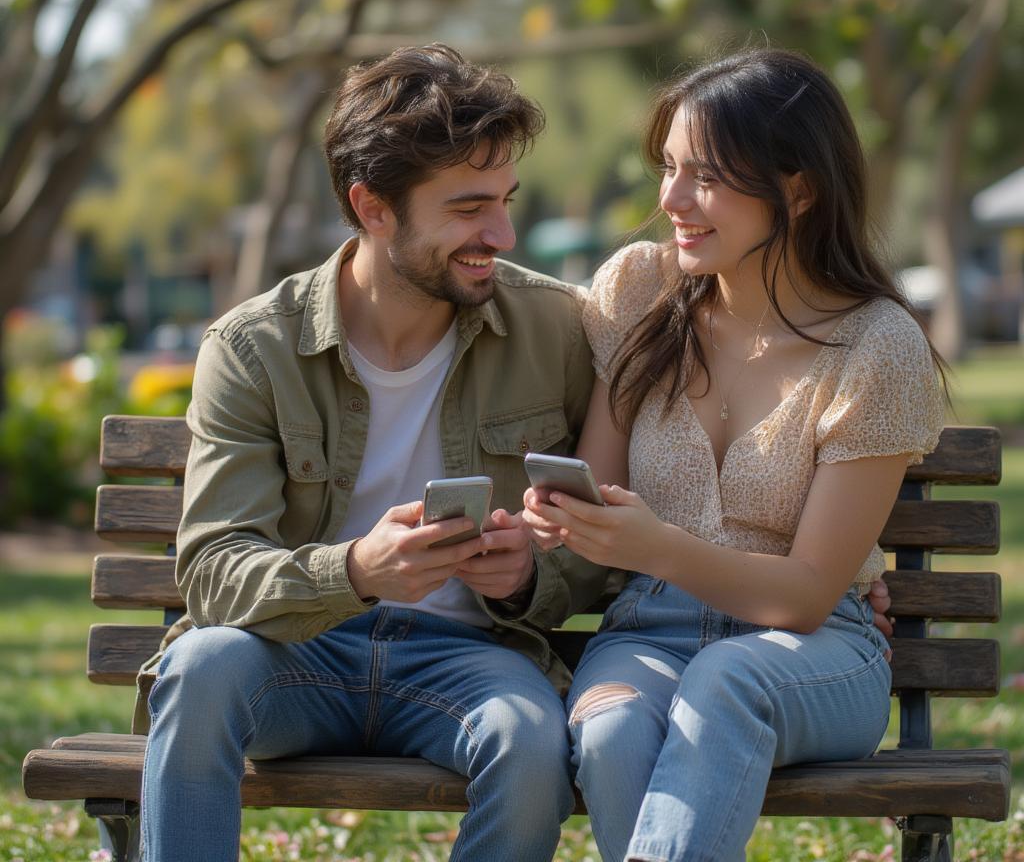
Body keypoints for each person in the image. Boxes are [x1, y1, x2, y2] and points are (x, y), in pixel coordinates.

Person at [139, 44, 608, 862]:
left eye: (505, 201)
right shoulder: (255, 348)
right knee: (202, 669)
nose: (499, 233)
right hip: (293, 650)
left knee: (530, 739)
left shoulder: (557, 329)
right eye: (468, 208)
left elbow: (606, 547)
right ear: (372, 207)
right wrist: (355, 571)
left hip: (467, 659)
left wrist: (531, 575)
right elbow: (214, 568)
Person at [522, 48, 946, 862]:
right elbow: (598, 485)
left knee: (727, 682)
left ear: (799, 188)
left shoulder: (876, 345)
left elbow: (806, 600)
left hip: (815, 658)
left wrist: (656, 545)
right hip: (646, 633)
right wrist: (564, 518)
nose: (673, 200)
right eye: (670, 168)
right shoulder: (640, 291)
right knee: (608, 732)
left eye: (707, 177)